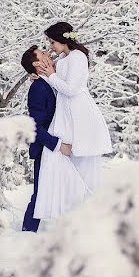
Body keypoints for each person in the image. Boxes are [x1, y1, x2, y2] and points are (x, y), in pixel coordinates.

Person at [32, 22, 112, 220]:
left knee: (83, 166)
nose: (50, 46)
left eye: (52, 42)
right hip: (66, 114)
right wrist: (41, 77)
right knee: (64, 164)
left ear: (62, 39)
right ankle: (69, 214)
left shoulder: (78, 57)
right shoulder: (63, 58)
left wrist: (50, 76)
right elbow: (56, 82)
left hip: (79, 112)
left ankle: (89, 215)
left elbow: (71, 89)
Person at [20, 46, 62, 232]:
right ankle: (27, 233)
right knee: (40, 193)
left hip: (54, 146)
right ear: (37, 63)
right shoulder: (38, 88)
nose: (47, 53)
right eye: (43, 54)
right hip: (46, 148)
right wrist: (57, 145)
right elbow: (34, 126)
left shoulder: (49, 80)